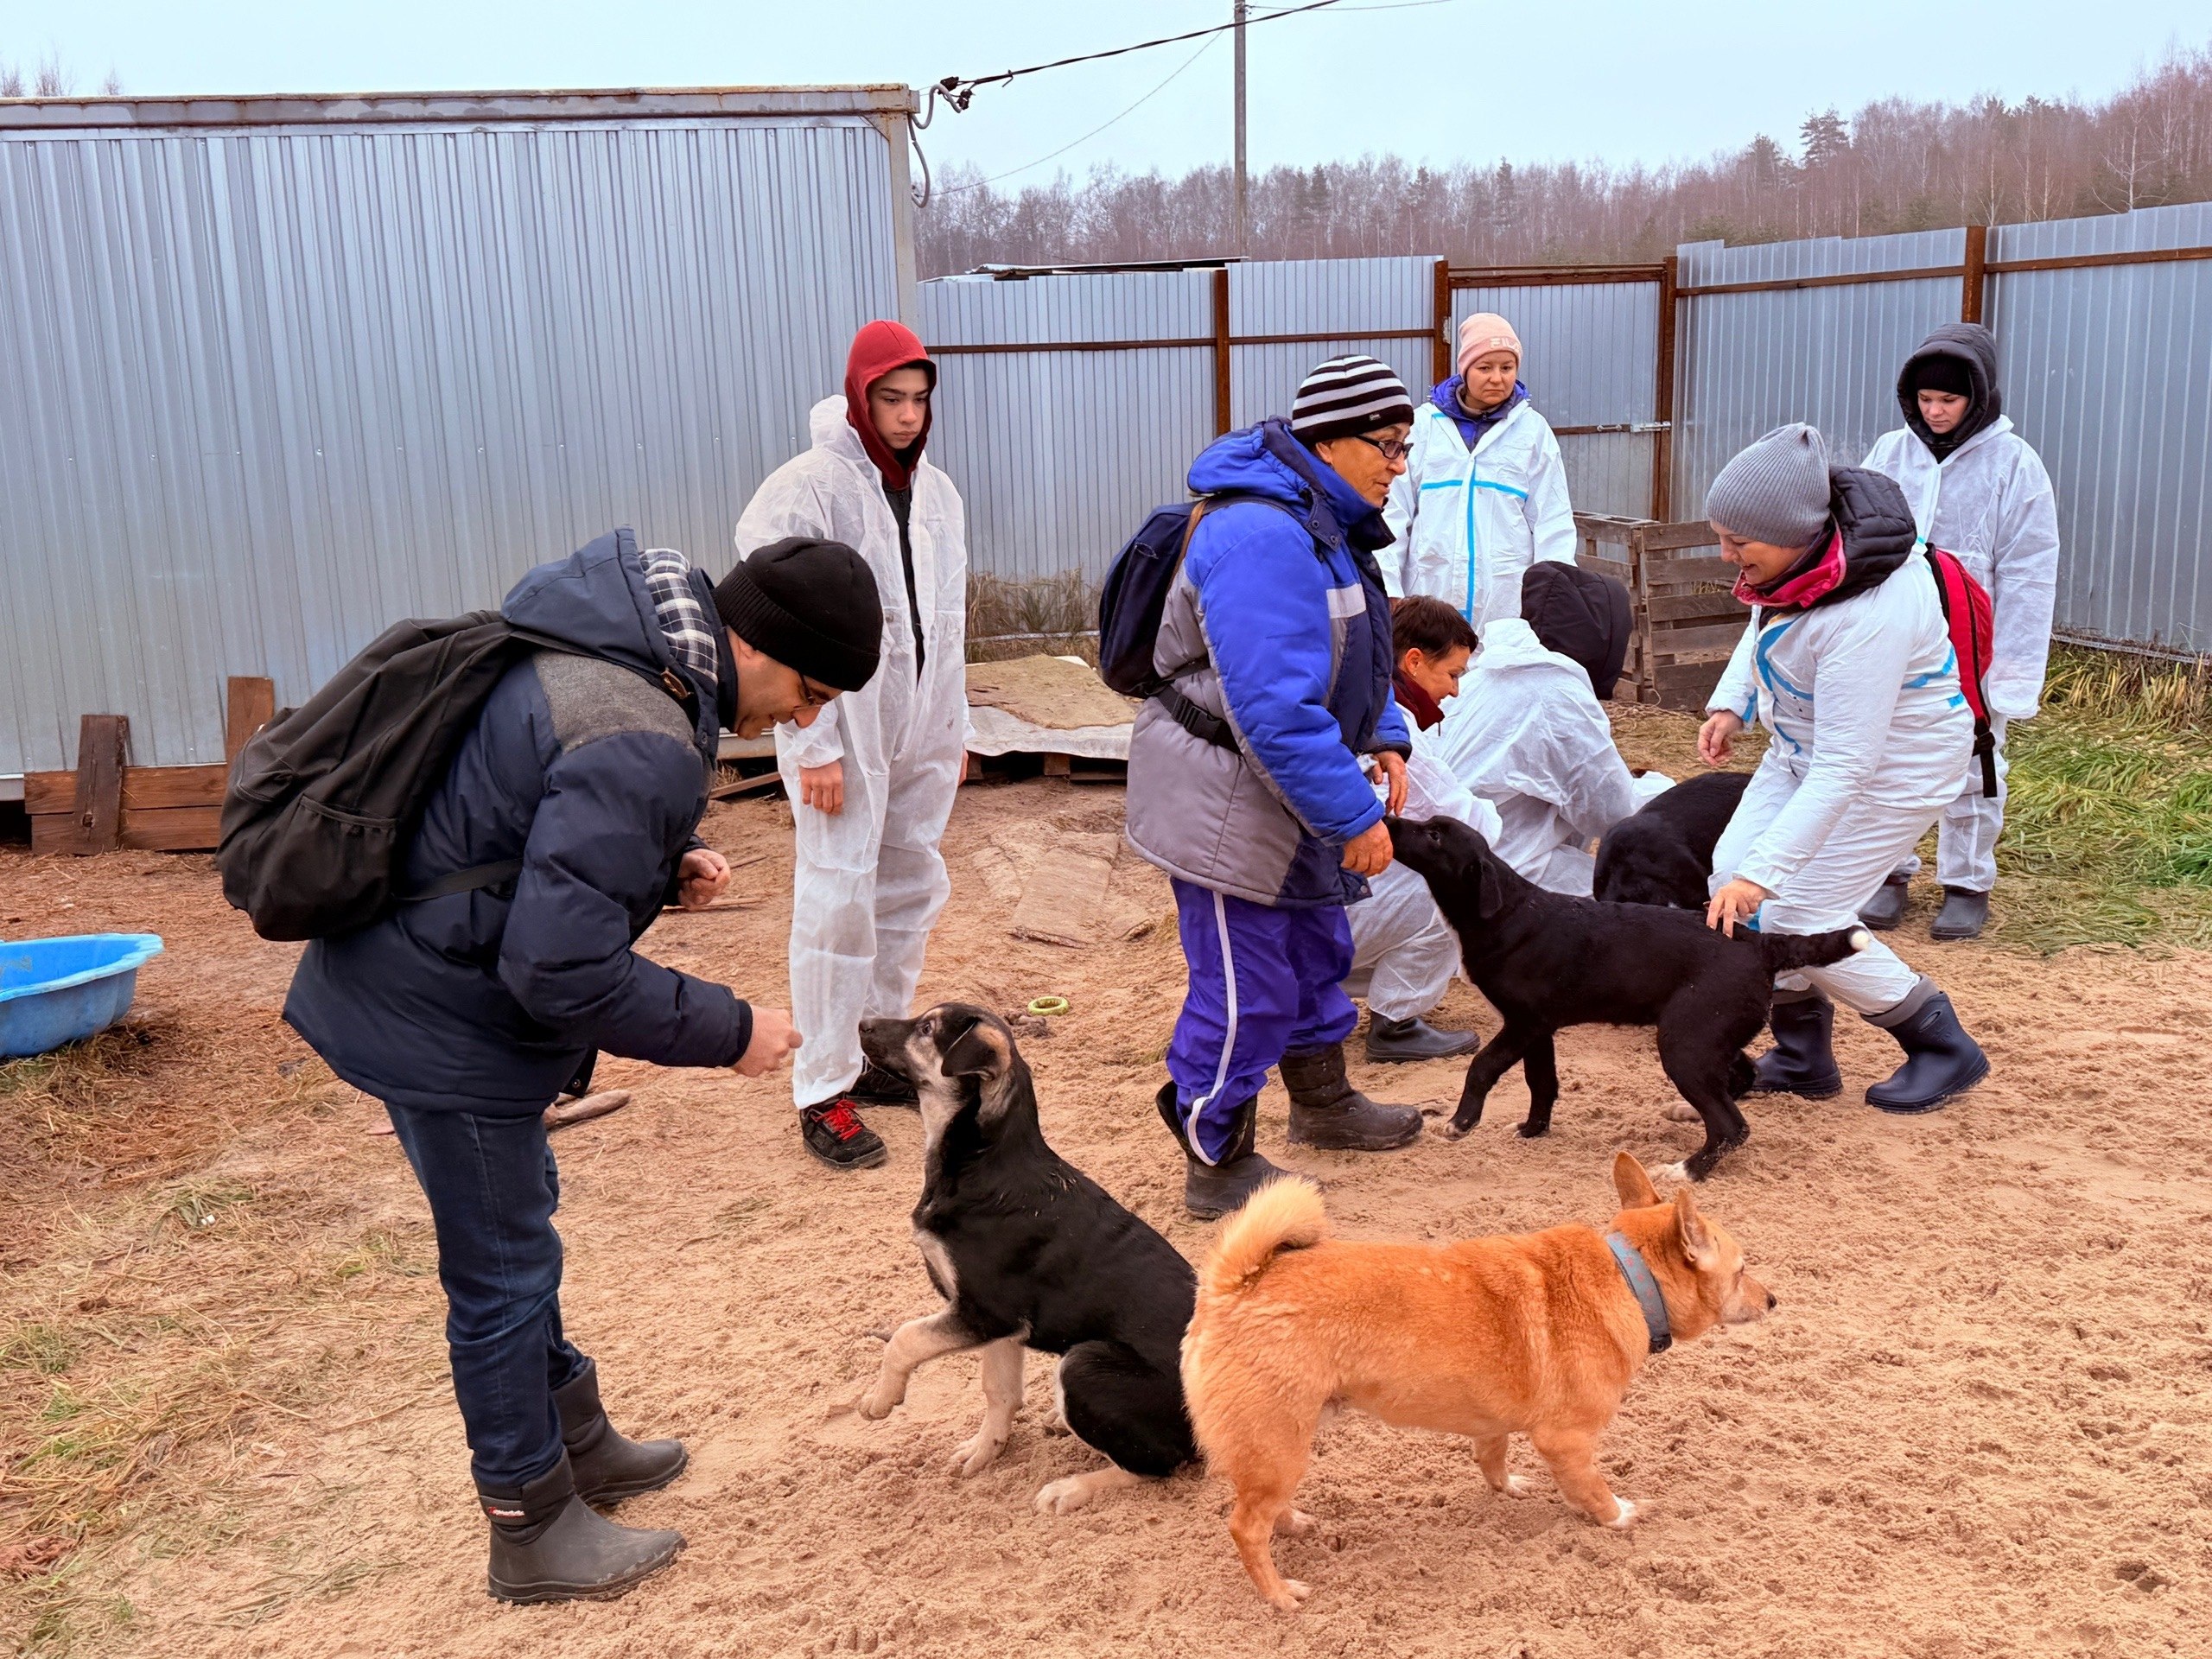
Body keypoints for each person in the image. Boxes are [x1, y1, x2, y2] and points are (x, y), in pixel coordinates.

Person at [284, 531, 882, 1603]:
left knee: (524, 1236)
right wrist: (731, 1029)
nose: (804, 720)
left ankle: (577, 1439)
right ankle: (530, 1524)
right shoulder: (644, 730)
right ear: (757, 642)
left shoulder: (628, 646)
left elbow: (523, 808)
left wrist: (662, 859)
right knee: (501, 1273)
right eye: (811, 692)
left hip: (427, 972)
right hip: (442, 1015)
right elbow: (557, 966)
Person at [1126, 355, 1427, 1220]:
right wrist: (1354, 815)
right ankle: (1214, 1154)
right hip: (1225, 800)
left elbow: (1353, 652)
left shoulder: (1326, 525)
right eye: (1385, 444)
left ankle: (1323, 1103)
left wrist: (1384, 733)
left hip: (1278, 795)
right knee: (1244, 986)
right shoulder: (1260, 536)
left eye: (1404, 447)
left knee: (1314, 952)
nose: (1397, 465)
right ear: (1327, 442)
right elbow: (1275, 710)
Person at [1698, 423, 1990, 1115]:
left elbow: (1847, 765)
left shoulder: (1872, 610)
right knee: (1728, 876)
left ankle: (1940, 1044)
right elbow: (1764, 618)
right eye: (1722, 537)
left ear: (1794, 531)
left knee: (1796, 910)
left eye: (1739, 542)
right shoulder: (1802, 564)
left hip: (1895, 768)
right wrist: (1734, 703)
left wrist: (1765, 874)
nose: (1727, 555)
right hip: (1803, 746)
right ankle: (1802, 1056)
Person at [734, 320, 969, 1172]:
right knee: (838, 899)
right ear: (859, 396)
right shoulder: (807, 488)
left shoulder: (938, 495)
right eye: (890, 399)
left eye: (919, 400)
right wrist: (814, 739)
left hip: (919, 725)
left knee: (907, 885)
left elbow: (948, 619)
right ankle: (821, 1086)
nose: (907, 416)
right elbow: (769, 618)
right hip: (840, 722)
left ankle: (875, 1047)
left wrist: (954, 725)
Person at [1859, 322, 2060, 940]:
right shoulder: (1890, 454)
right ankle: (1886, 871)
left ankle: (1967, 882)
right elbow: (1859, 540)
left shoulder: (2014, 465)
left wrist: (2013, 667)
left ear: (1978, 397)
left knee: (1974, 760)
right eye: (1925, 399)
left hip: (1971, 641)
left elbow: (2029, 571)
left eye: (1948, 399)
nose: (1936, 411)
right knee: (1884, 755)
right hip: (1897, 634)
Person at [1429, 562, 1660, 896]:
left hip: (1437, 860)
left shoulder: (1486, 673)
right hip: (1486, 870)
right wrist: (1667, 793)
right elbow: (1612, 813)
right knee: (1631, 902)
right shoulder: (1556, 693)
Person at [1345, 595, 1498, 1063]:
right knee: (1457, 881)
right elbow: (1460, 820)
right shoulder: (1395, 728)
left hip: (1303, 908)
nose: (1455, 691)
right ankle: (1397, 1022)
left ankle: (1317, 990)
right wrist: (1493, 815)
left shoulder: (1356, 701)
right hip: (1331, 909)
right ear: (1413, 661)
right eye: (1452, 674)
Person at [1380, 312, 1576, 628]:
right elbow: (1392, 512)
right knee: (1433, 657)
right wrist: (1388, 587)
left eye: (1507, 368)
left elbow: (1552, 521)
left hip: (1506, 606)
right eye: (1485, 368)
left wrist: (1554, 601)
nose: (1497, 378)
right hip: (1428, 601)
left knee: (1499, 659)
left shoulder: (1532, 432)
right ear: (1465, 369)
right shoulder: (1424, 427)